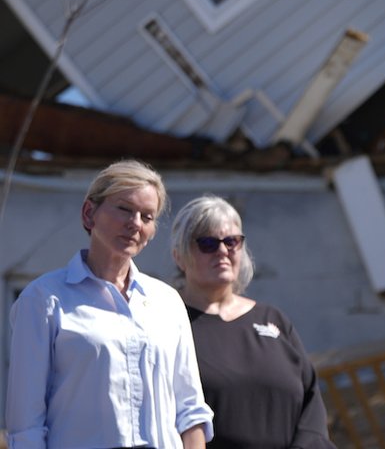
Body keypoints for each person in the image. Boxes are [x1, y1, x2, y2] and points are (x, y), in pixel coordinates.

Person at [6, 159, 213, 448]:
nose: (135, 223)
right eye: (124, 209)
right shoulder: (43, 299)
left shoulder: (167, 302)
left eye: (147, 216)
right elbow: (25, 426)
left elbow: (190, 411)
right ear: (89, 213)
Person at [171, 194, 336, 449]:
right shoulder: (167, 322)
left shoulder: (274, 320)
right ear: (179, 257)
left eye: (232, 241)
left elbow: (311, 405)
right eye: (207, 243)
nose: (223, 251)